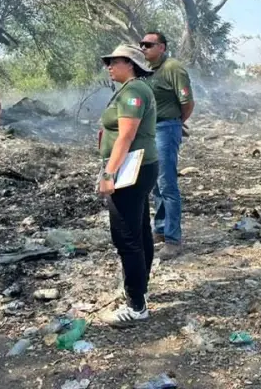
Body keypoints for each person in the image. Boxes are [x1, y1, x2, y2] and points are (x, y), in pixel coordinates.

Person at [98, 44, 159, 325]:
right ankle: (140, 288)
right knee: (140, 230)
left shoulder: (134, 91)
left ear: (131, 64)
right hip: (138, 166)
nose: (109, 66)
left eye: (115, 61)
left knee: (126, 236)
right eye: (107, 62)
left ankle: (136, 305)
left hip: (130, 168)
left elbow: (126, 136)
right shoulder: (131, 89)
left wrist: (108, 174)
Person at [139, 31, 194, 260]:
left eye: (149, 44)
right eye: (142, 44)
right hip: (150, 130)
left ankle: (173, 239)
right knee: (155, 184)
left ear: (162, 47)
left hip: (165, 129)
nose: (144, 48)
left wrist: (176, 123)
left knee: (167, 184)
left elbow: (187, 102)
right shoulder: (146, 70)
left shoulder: (173, 68)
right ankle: (160, 230)